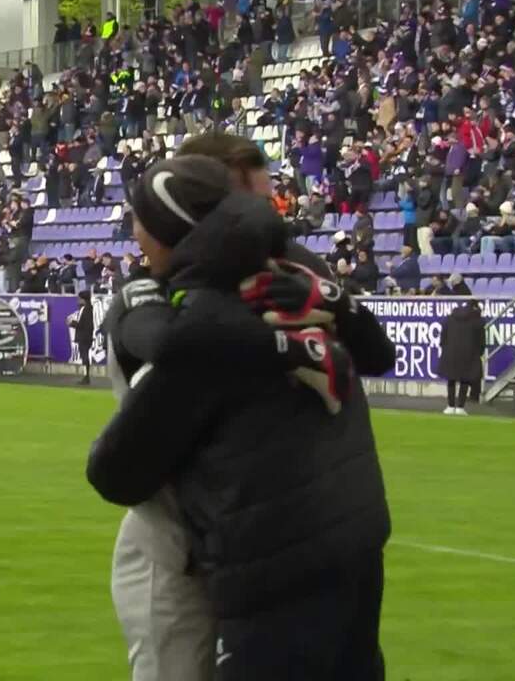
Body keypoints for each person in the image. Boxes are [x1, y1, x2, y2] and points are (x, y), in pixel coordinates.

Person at [88, 154, 394, 680]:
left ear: (169, 230)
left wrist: (135, 311)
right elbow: (376, 352)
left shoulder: (199, 318)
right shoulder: (297, 271)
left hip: (266, 566)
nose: (133, 232)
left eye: (140, 220)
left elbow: (117, 471)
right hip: (356, 541)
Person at [438, 299, 484, 415]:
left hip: (450, 352)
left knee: (451, 379)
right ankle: (460, 407)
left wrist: (445, 348)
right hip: (469, 353)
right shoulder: (478, 321)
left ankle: (450, 405)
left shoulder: (449, 318)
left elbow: (443, 336)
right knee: (465, 379)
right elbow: (481, 341)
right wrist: (479, 353)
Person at [69, 291, 94, 385]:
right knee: (84, 356)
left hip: (84, 336)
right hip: (86, 336)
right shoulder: (88, 308)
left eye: (79, 298)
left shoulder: (86, 309)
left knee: (84, 357)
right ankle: (85, 376)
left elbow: (83, 325)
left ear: (83, 299)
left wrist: (72, 323)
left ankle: (86, 377)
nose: (78, 300)